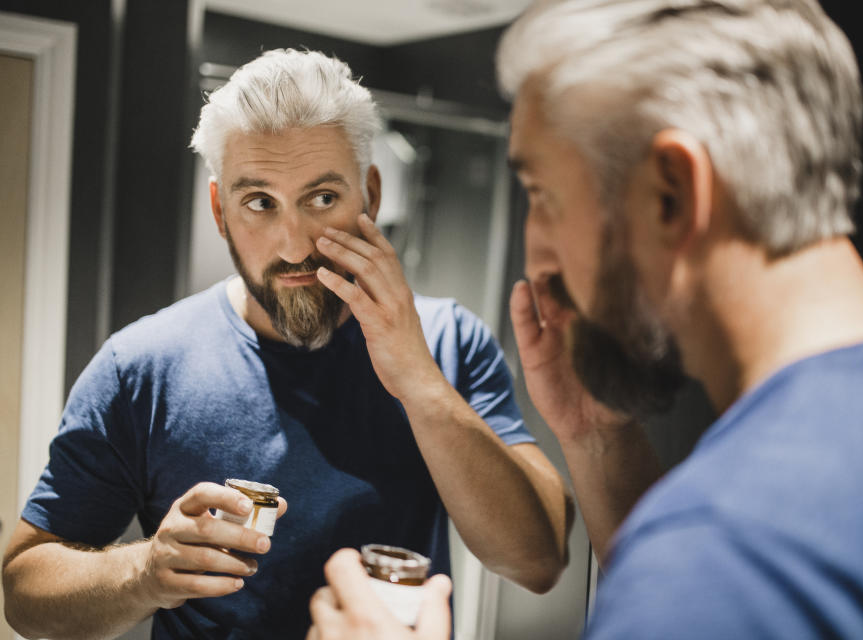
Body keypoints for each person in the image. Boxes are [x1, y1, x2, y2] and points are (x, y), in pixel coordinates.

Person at [309, 0, 863, 638]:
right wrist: (598, 438)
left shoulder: (729, 550)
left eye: (542, 196)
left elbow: (695, 587)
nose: (535, 257)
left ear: (672, 192)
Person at [2, 48, 572, 639]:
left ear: (370, 196)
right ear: (220, 211)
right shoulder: (139, 366)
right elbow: (24, 594)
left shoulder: (451, 341)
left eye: (323, 198)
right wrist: (146, 572)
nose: (295, 245)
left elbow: (537, 562)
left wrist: (421, 382)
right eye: (259, 203)